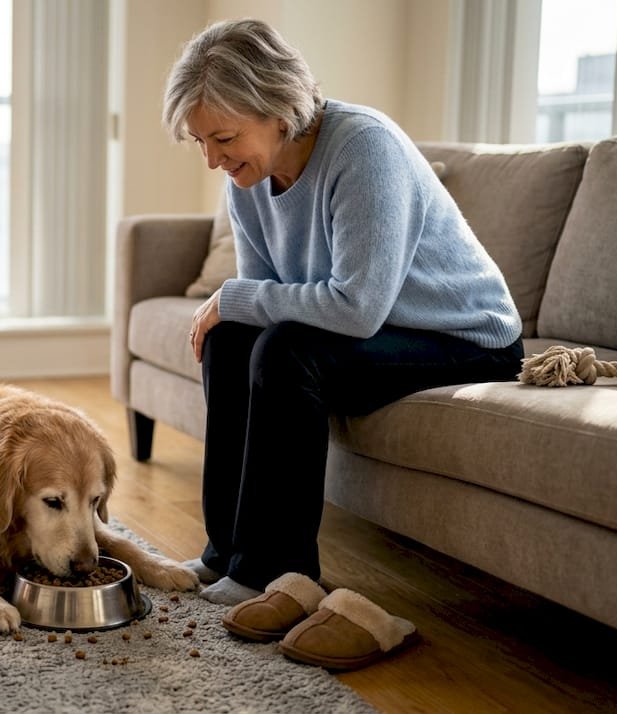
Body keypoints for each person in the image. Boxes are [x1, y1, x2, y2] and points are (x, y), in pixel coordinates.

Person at [161, 18, 524, 612]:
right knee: (232, 340)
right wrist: (235, 305)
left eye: (223, 139)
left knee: (285, 351)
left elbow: (356, 306)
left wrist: (232, 298)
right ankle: (225, 552)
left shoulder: (364, 147)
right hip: (380, 326)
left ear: (278, 108)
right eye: (200, 142)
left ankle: (275, 571)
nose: (212, 160)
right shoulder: (245, 178)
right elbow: (260, 297)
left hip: (464, 336)